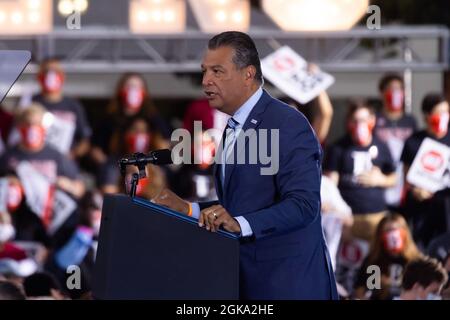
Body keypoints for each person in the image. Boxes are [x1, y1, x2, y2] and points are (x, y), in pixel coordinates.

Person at [153, 31, 338, 299]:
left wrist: (240, 225)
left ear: (248, 74)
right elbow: (242, 205)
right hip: (249, 284)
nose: (206, 81)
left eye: (218, 71)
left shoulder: (287, 123)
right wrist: (189, 208)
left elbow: (304, 205)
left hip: (289, 285)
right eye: (205, 71)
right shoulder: (233, 128)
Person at [324, 101, 397, 242]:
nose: (359, 125)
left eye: (363, 120)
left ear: (372, 120)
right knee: (350, 261)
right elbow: (330, 184)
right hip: (349, 219)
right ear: (348, 122)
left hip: (376, 216)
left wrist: (380, 180)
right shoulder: (338, 148)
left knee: (374, 263)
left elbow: (394, 178)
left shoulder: (382, 146)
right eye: (355, 121)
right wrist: (336, 211)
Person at [401, 93, 450, 248]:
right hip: (421, 208)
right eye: (438, 113)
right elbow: (406, 176)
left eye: (446, 112)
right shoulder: (413, 141)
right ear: (426, 116)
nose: (443, 117)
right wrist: (415, 190)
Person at [32, 58, 92, 159]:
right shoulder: (31, 102)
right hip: (37, 162)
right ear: (39, 77)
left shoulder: (73, 106)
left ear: (62, 76)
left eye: (55, 71)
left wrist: (71, 155)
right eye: (46, 71)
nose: (51, 75)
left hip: (64, 163)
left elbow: (85, 141)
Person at [353, 213, 422, 300]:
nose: (393, 235)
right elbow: (361, 291)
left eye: (396, 229)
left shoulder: (416, 261)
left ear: (405, 232)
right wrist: (380, 286)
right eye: (388, 230)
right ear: (380, 236)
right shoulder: (374, 262)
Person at [374, 73, 417, 209]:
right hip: (382, 174)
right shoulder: (374, 119)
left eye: (399, 89)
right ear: (382, 93)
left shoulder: (410, 121)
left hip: (405, 176)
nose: (396, 93)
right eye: (392, 89)